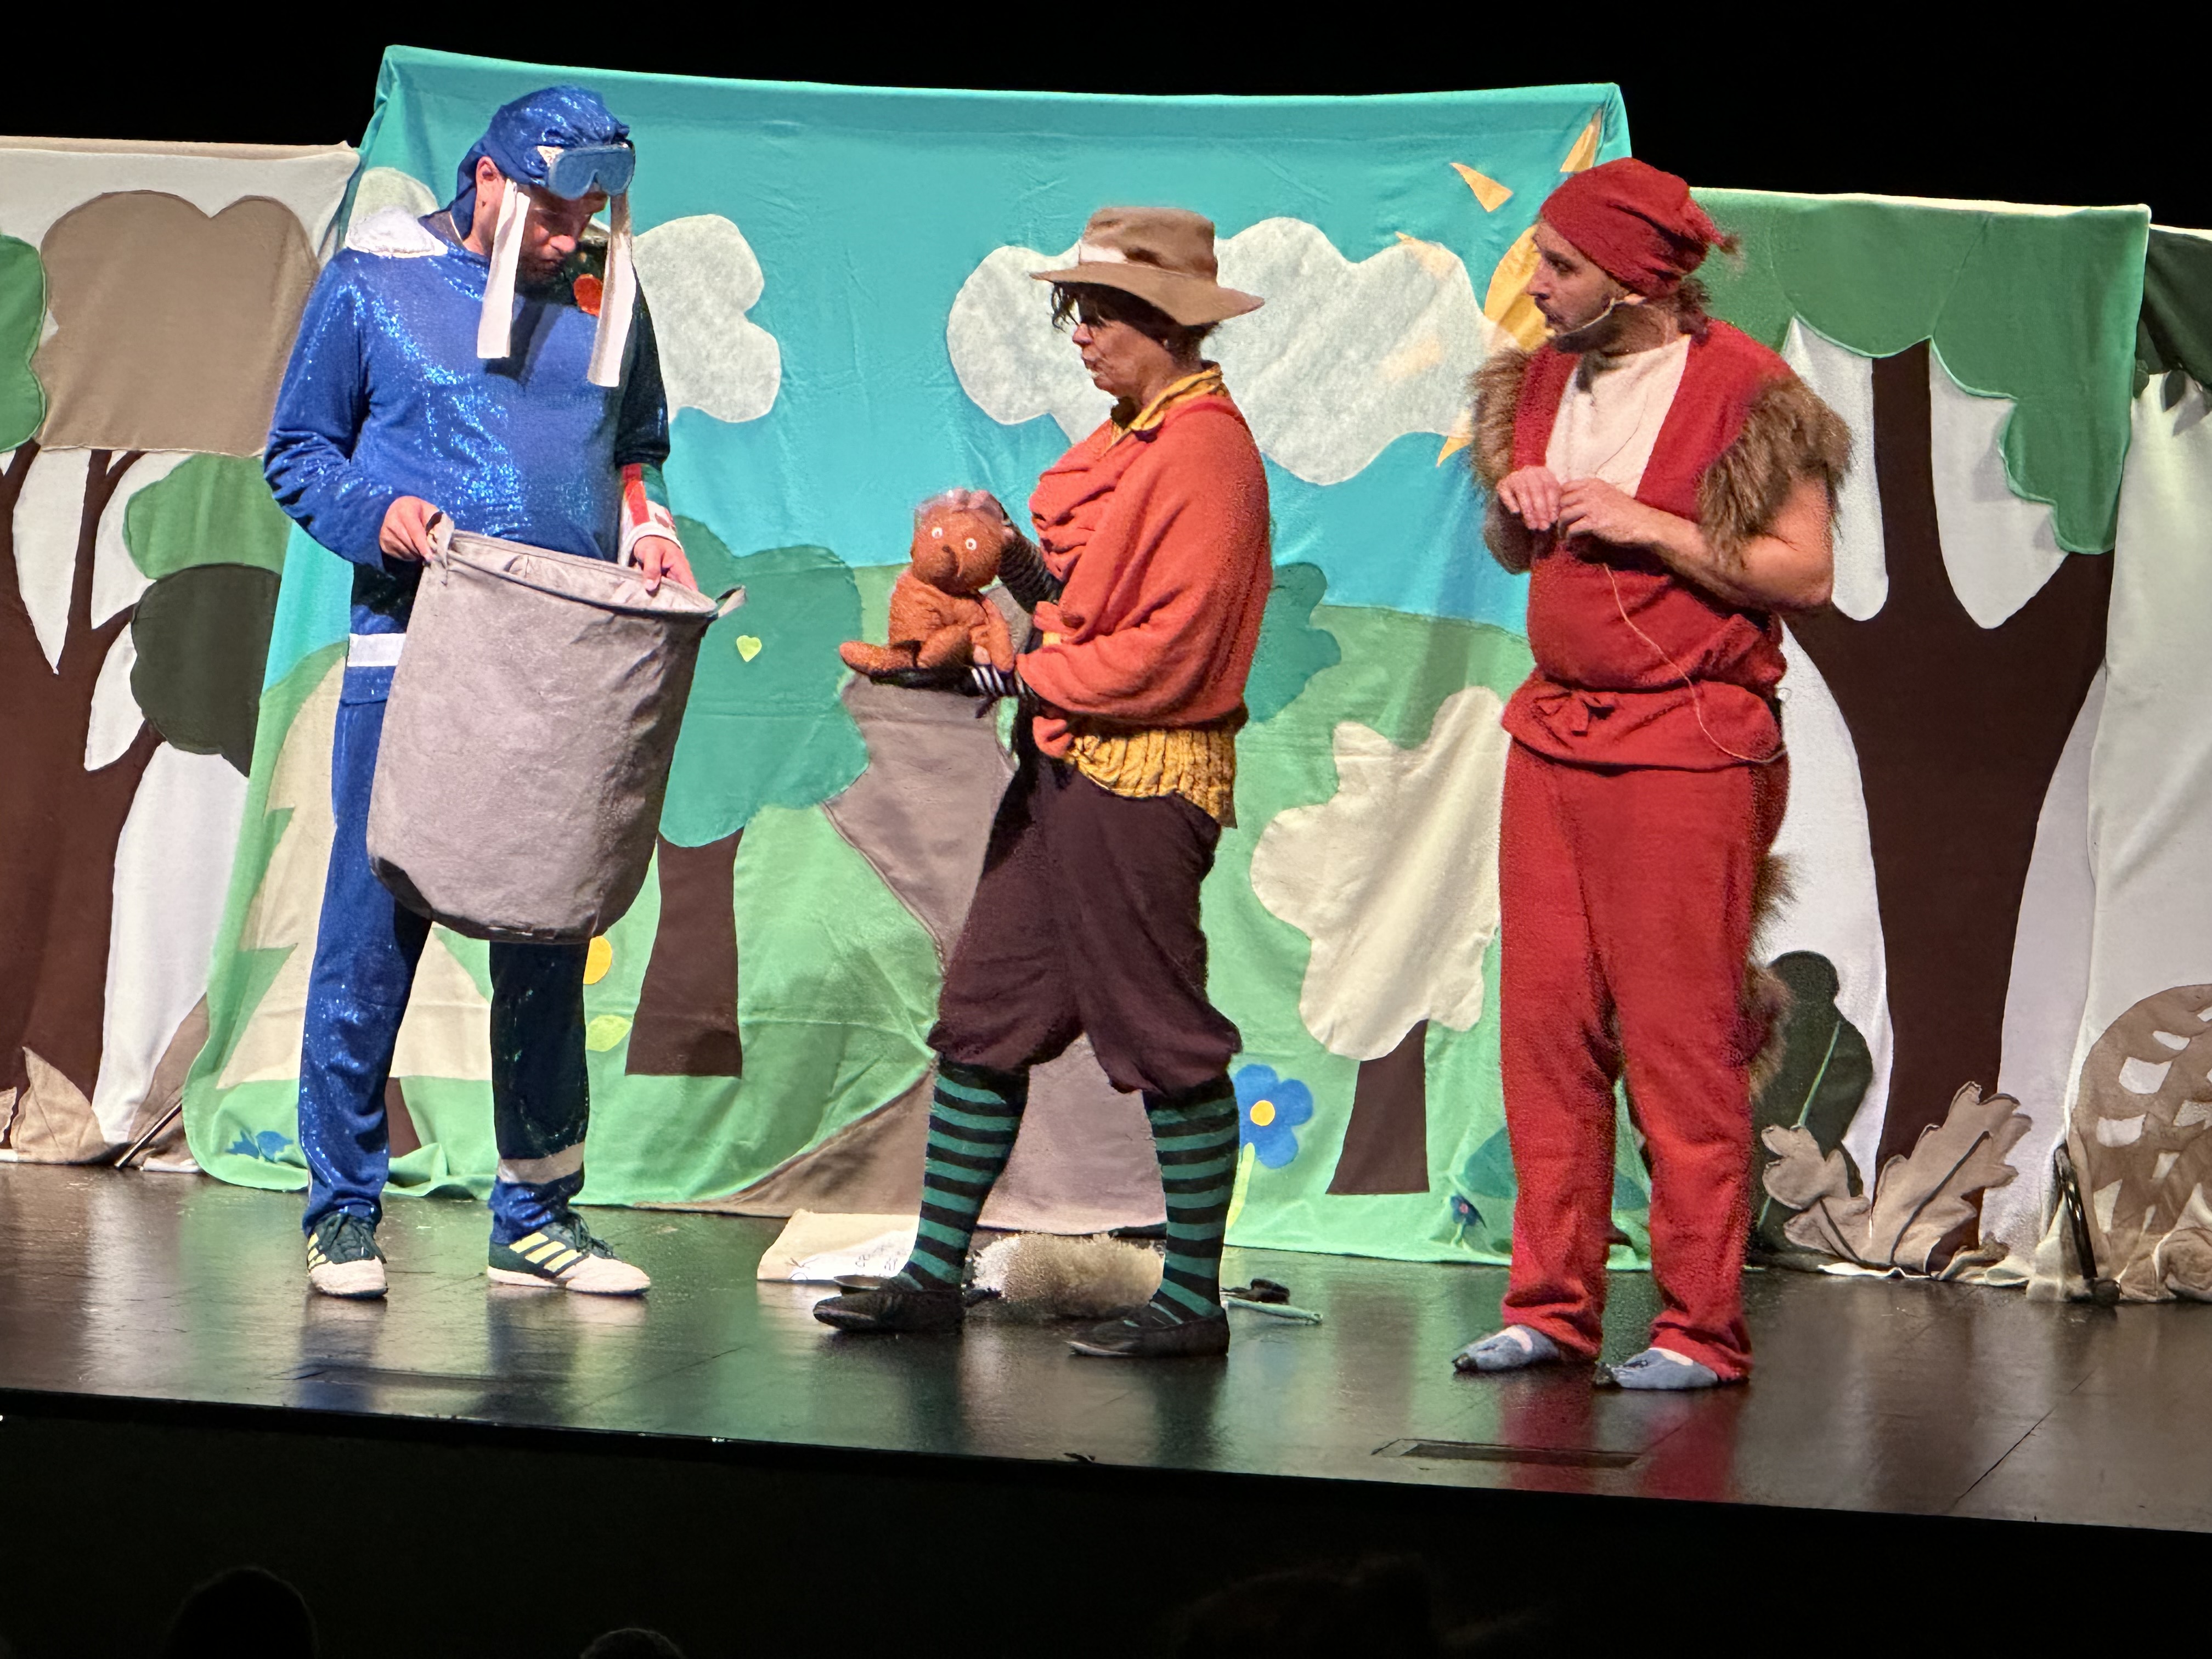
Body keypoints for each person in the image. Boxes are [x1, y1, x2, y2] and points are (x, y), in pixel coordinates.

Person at [814, 206, 1271, 1358]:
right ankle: (932, 1276)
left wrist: (1008, 669)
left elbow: (1167, 650)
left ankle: (1193, 1300)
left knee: (1161, 1029)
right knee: (986, 1009)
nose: (1082, 337)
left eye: (1102, 316)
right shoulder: (1131, 441)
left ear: (1164, 322)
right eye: (1079, 314)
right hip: (1065, 766)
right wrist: (1008, 556)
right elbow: (1084, 601)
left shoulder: (1205, 453)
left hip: (1141, 777)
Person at [265, 87, 693, 1300]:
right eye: (552, 213)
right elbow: (298, 450)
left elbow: (636, 450)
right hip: (416, 661)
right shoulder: (376, 282)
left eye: (588, 216)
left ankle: (537, 1215)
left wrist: (650, 529)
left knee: (548, 937)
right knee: (373, 930)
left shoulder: (610, 298)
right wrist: (378, 514)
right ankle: (343, 1210)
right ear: (490, 180)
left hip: (563, 671)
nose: (570, 237)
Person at [1452, 159, 1845, 1389]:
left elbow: (1806, 573)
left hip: (1689, 744)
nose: (1537, 285)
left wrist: (1653, 525)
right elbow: (1512, 549)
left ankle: (1699, 1329)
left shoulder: (1751, 396)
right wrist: (1516, 505)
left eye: (1561, 266)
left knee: (1679, 1040)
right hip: (1553, 736)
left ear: (1634, 280)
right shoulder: (1535, 381)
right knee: (1547, 1032)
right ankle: (1550, 1307)